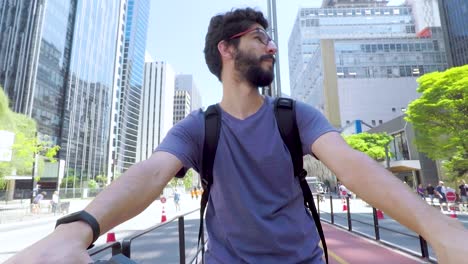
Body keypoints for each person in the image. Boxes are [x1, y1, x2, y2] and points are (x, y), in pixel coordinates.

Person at [6, 7, 468, 264]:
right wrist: (79, 227)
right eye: (259, 36)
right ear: (227, 49)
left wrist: (439, 229)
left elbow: (351, 164)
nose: (270, 45)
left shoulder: (295, 116)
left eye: (269, 37)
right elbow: (149, 174)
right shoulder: (199, 127)